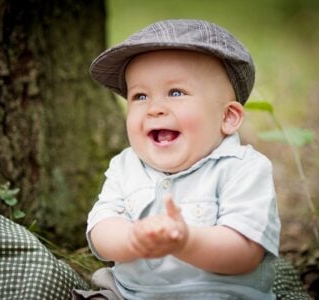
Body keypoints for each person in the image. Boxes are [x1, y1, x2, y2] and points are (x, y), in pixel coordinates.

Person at [83, 19, 281, 300]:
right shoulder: (125, 166)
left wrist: (185, 241)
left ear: (227, 117)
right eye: (139, 96)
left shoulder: (244, 168)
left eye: (176, 93)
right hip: (131, 294)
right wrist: (131, 238)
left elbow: (245, 253)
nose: (154, 109)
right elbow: (101, 228)